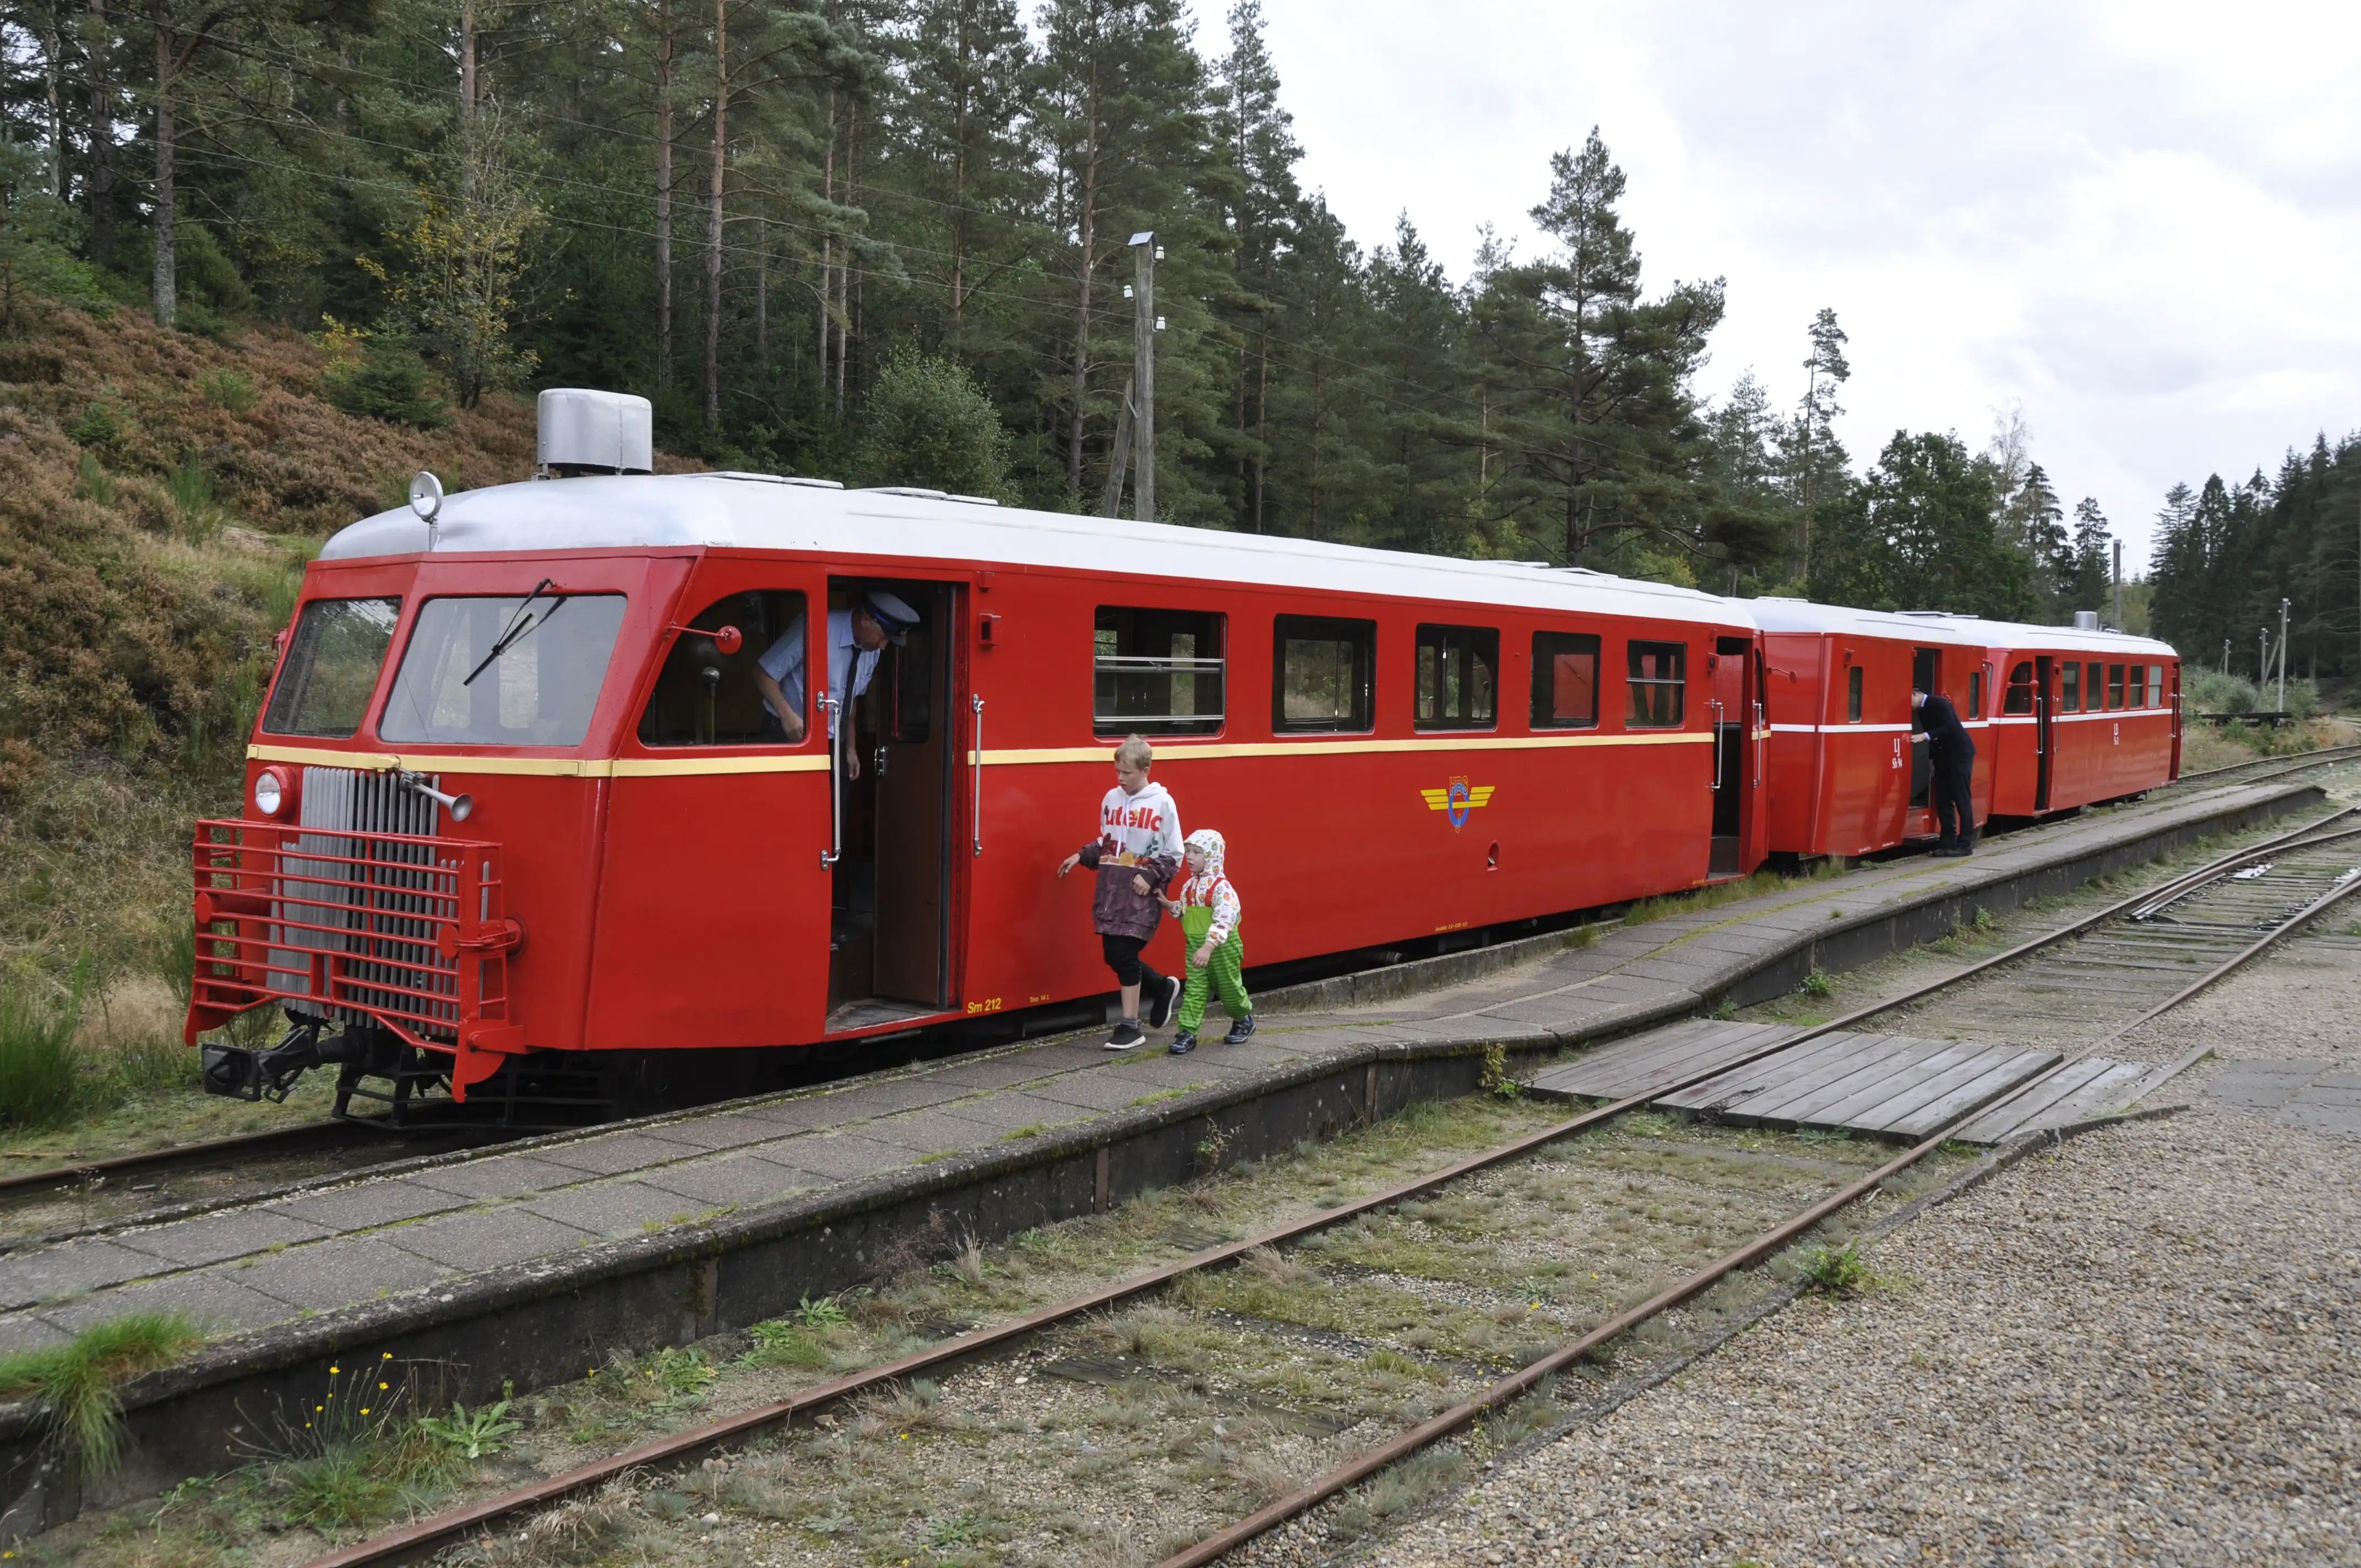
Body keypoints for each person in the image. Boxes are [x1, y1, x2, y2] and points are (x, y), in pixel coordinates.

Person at [1056, 736, 1183, 1050]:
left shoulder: (1163, 803)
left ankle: (1130, 1027)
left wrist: (1151, 877)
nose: (1120, 778)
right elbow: (1109, 842)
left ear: (1146, 770)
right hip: (1112, 889)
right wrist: (1082, 855)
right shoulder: (1111, 799)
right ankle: (1162, 986)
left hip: (1141, 894)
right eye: (1118, 772)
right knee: (1113, 955)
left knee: (1124, 955)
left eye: (1127, 772)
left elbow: (1175, 851)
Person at [752, 589, 921, 777]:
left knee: (836, 802)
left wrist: (850, 748)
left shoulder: (872, 650)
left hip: (833, 742)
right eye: (882, 637)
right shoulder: (817, 627)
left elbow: (851, 698)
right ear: (866, 620)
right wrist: (788, 717)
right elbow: (763, 673)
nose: (883, 646)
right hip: (787, 734)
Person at [1161, 828, 1254, 1056]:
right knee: (1194, 990)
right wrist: (1167, 904)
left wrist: (1208, 946)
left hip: (1222, 949)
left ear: (1212, 857)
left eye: (1197, 852)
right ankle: (1187, 1032)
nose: (1189, 857)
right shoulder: (1189, 887)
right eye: (1188, 852)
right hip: (1196, 948)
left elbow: (1224, 921)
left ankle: (1243, 1019)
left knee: (1230, 988)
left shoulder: (1222, 889)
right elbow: (1184, 911)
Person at [1913, 686, 1976, 856]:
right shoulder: (1922, 713)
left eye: (1909, 700)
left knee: (1962, 798)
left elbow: (1949, 726)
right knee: (1943, 800)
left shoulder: (1939, 703)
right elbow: (1936, 740)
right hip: (1942, 757)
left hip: (1959, 754)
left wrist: (1925, 736)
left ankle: (1965, 844)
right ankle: (1948, 842)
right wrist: (1931, 760)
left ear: (1915, 694)